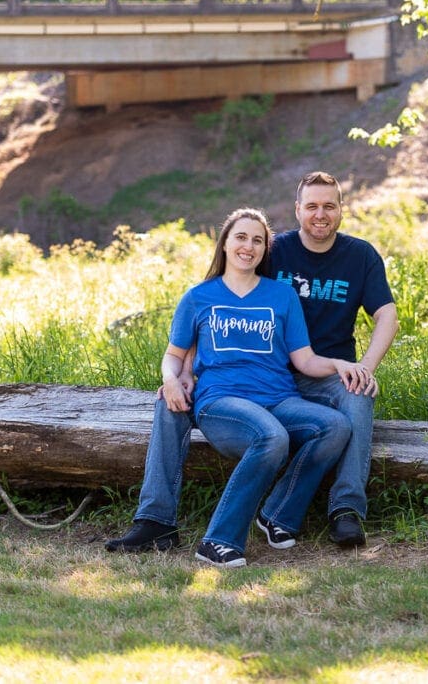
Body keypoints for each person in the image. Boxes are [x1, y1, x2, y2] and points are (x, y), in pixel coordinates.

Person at [107, 171, 398, 553]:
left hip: (302, 379)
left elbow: (333, 345)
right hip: (235, 390)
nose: (320, 214)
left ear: (341, 209)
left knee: (346, 413)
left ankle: (334, 509)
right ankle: (157, 522)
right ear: (297, 210)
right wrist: (181, 373)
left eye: (329, 206)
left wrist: (357, 367)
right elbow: (195, 329)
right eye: (311, 206)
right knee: (171, 401)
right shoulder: (244, 270)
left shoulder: (335, 268)